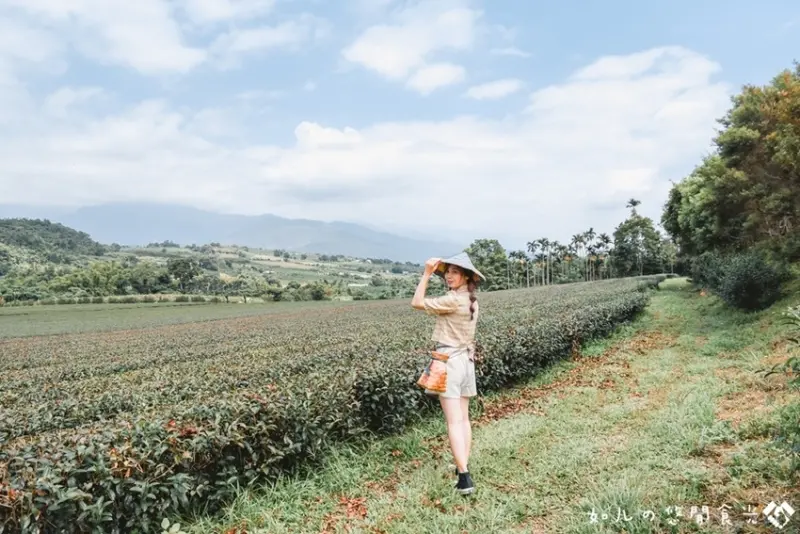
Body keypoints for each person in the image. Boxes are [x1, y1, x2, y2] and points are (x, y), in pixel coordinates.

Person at [411, 252, 486, 496]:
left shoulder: (453, 300)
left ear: (466, 276)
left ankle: (464, 477)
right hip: (465, 362)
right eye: (447, 272)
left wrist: (426, 274)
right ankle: (463, 466)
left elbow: (417, 302)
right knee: (464, 419)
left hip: (450, 363)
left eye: (455, 272)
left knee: (454, 421)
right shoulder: (471, 300)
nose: (449, 276)